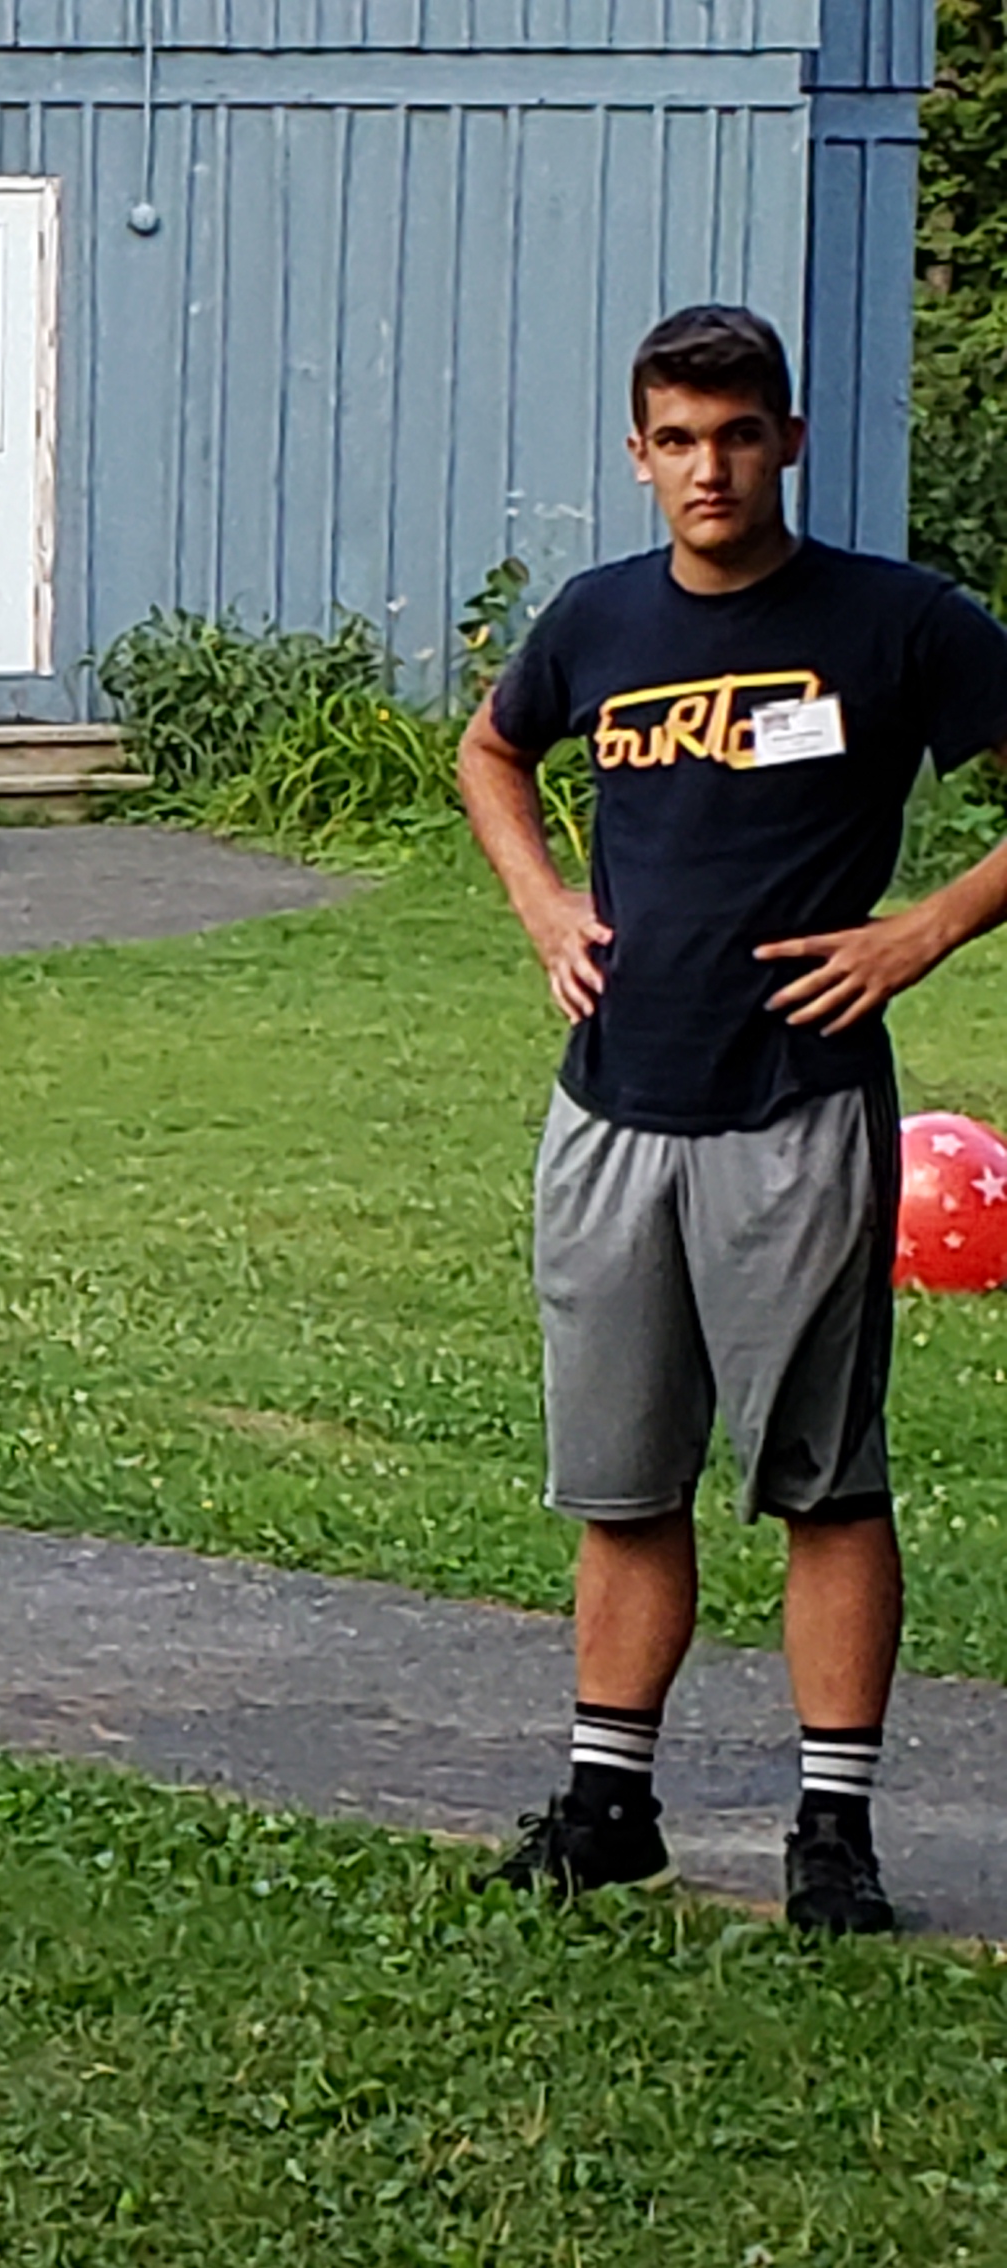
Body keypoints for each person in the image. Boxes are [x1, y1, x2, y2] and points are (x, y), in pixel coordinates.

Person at [455, 304, 1007, 1934]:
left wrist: (923, 931)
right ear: (640, 455)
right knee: (623, 1482)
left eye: (740, 435)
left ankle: (832, 1834)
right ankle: (608, 1805)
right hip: (613, 1105)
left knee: (822, 1483)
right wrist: (543, 904)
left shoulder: (897, 621)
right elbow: (492, 749)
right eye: (680, 441)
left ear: (789, 442)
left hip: (797, 1109)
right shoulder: (598, 619)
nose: (712, 469)